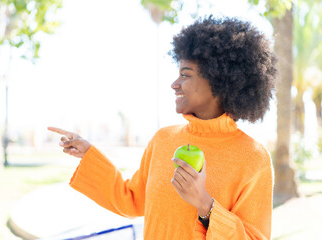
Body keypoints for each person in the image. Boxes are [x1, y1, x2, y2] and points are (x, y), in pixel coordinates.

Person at [48, 15, 276, 240]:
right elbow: (131, 199)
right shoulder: (163, 140)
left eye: (185, 75)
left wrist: (205, 206)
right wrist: (89, 155)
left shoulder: (253, 158)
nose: (174, 85)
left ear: (218, 80)